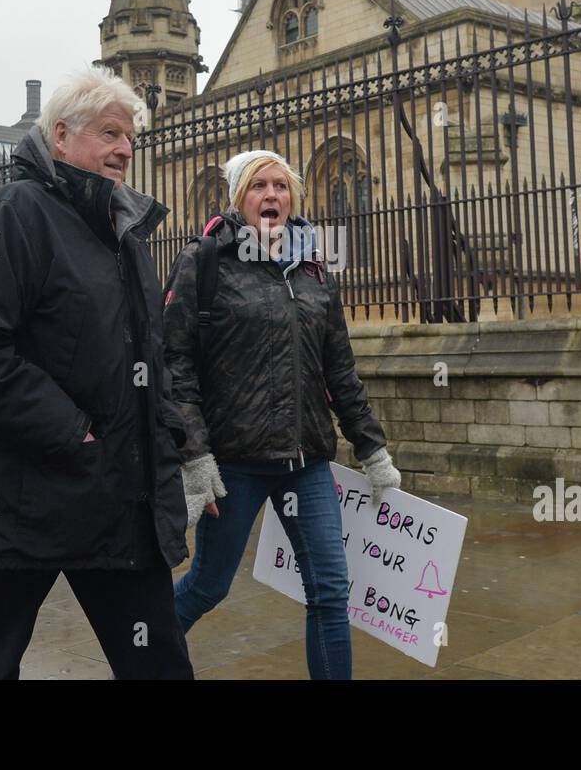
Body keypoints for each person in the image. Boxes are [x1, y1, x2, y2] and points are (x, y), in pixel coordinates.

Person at [0, 65, 193, 680]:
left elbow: (145, 357)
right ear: (59, 136)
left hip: (116, 498)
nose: (125, 149)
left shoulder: (121, 232)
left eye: (130, 138)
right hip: (23, 499)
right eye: (109, 133)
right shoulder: (14, 214)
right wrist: (71, 430)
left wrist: (174, 441)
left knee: (159, 664)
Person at [163, 149, 402, 681]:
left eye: (280, 185)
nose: (271, 195)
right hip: (234, 463)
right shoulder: (205, 260)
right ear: (237, 199)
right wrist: (195, 455)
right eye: (257, 186)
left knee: (330, 593)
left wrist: (372, 448)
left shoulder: (315, 269)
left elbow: (339, 369)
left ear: (293, 198)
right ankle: (139, 654)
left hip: (307, 461)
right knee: (208, 586)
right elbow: (174, 365)